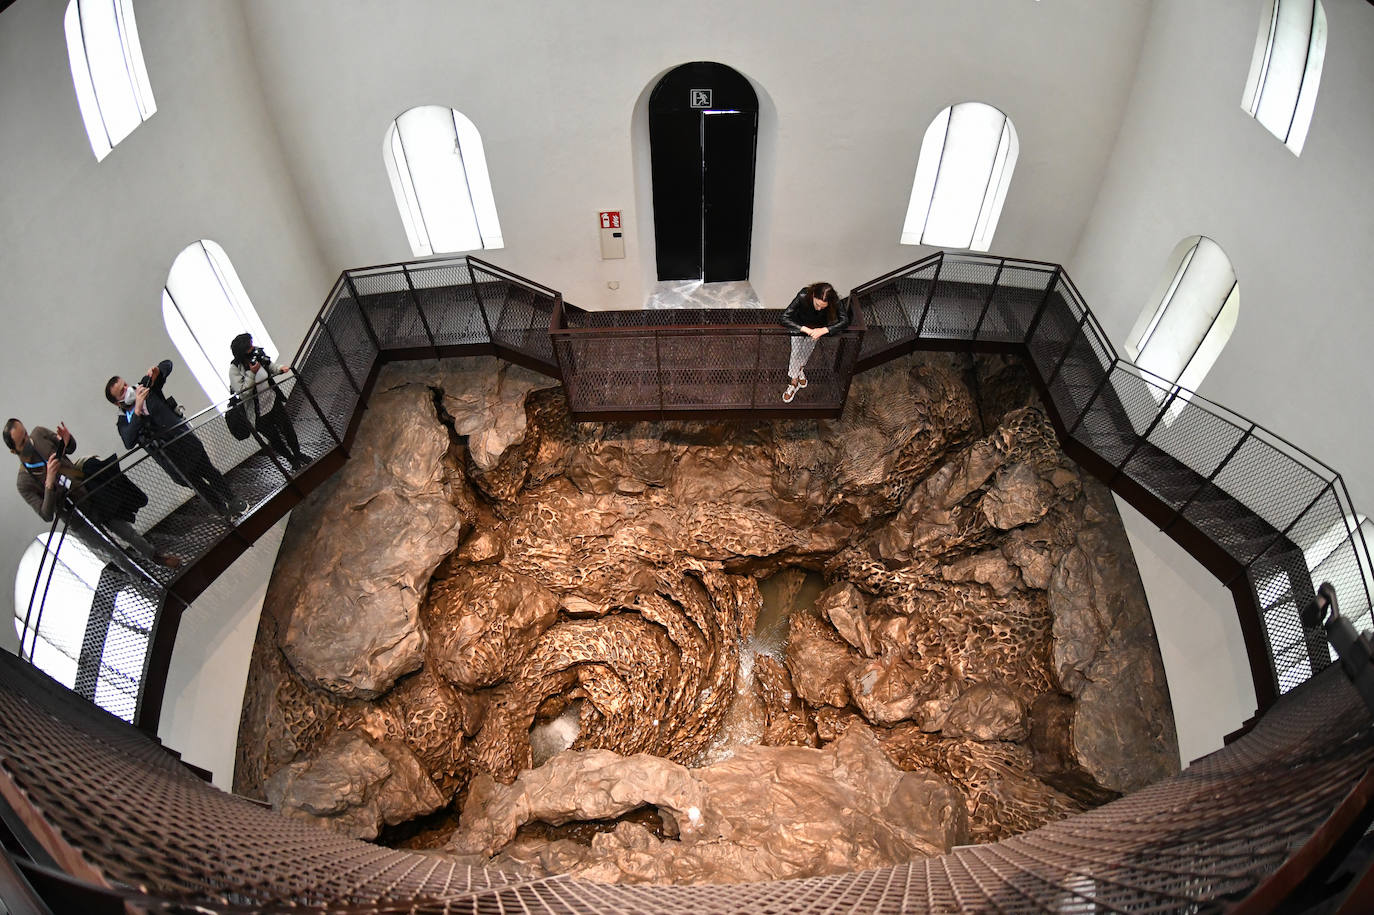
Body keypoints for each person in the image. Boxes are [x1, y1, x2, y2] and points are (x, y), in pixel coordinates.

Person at [4, 418, 180, 568]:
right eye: (22, 442)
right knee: (112, 551)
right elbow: (46, 514)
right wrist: (49, 482)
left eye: (26, 434)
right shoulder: (24, 482)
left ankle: (156, 558)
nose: (28, 441)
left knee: (126, 531)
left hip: (88, 492)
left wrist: (67, 439)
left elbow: (70, 448)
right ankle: (143, 579)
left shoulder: (39, 433)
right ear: (14, 451)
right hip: (75, 517)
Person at [105, 360, 248, 519]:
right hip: (173, 462)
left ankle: (233, 501)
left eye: (125, 385)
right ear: (118, 402)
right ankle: (223, 512)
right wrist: (137, 408)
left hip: (187, 444)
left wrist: (157, 371)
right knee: (199, 488)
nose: (127, 389)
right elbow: (128, 441)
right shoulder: (124, 421)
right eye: (121, 392)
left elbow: (167, 365)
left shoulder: (146, 389)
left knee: (211, 473)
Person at [228, 333, 306, 470]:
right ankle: (291, 460)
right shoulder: (234, 369)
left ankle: (298, 454)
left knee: (288, 430)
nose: (253, 348)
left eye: (252, 344)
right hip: (258, 415)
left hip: (273, 401)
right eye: (249, 347)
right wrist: (252, 373)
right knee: (275, 439)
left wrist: (280, 369)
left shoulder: (256, 353)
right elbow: (243, 392)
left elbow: (270, 365)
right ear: (242, 352)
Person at [779, 281, 851, 403]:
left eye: (823, 307)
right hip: (799, 327)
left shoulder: (834, 300)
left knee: (807, 352)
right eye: (817, 304)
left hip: (817, 330)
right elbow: (784, 317)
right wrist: (805, 329)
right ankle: (794, 381)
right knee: (796, 353)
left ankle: (800, 370)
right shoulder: (803, 295)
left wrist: (824, 330)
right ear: (813, 295)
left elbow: (845, 321)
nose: (819, 309)